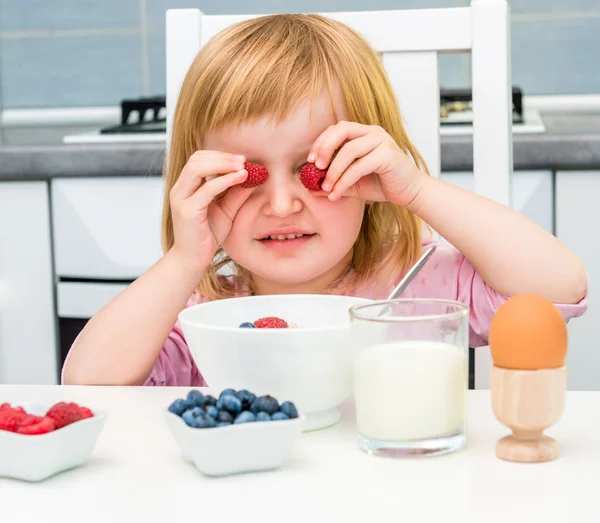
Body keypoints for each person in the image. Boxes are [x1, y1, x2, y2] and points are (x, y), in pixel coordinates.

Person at [62, 14, 588, 387]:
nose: (283, 204)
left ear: (365, 170)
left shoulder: (416, 289)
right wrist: (184, 259)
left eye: (314, 171)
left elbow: (560, 288)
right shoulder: (204, 317)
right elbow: (87, 382)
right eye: (248, 175)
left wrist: (419, 191)